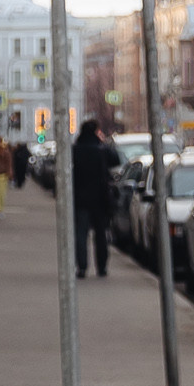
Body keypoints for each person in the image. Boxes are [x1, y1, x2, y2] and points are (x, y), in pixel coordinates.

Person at [72, 116, 122, 279]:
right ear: (96, 132)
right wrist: (103, 142)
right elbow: (116, 159)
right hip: (100, 198)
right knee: (101, 234)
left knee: (81, 234)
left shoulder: (75, 149)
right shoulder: (102, 149)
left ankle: (82, 267)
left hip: (80, 198)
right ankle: (101, 267)